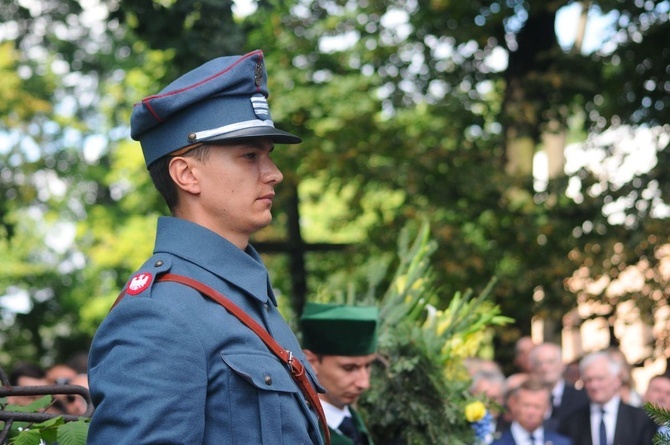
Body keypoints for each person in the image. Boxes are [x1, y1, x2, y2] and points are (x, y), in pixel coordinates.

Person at [87, 50, 325, 444]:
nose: (274, 174)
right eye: (249, 156)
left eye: (269, 156)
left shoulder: (248, 300)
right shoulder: (159, 315)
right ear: (186, 174)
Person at [300, 302, 379, 445]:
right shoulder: (300, 433)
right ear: (311, 362)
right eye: (349, 368)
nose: (364, 383)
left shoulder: (353, 421)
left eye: (368, 366)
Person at [558, 350, 657, 445]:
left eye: (600, 379)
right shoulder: (572, 421)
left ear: (616, 380)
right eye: (589, 380)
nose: (594, 385)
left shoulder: (640, 419)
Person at [528, 342, 588, 432]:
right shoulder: (528, 399)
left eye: (550, 362)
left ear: (562, 365)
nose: (544, 367)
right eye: (539, 363)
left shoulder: (581, 398)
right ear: (533, 368)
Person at [492, 379, 572, 445]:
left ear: (547, 408)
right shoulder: (497, 443)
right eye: (526, 405)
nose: (531, 412)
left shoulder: (562, 443)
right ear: (514, 405)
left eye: (537, 407)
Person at [470, 368, 507, 443]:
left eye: (494, 398)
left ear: (503, 399)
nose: (488, 403)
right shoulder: (456, 426)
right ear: (471, 395)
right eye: (483, 398)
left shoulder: (510, 429)